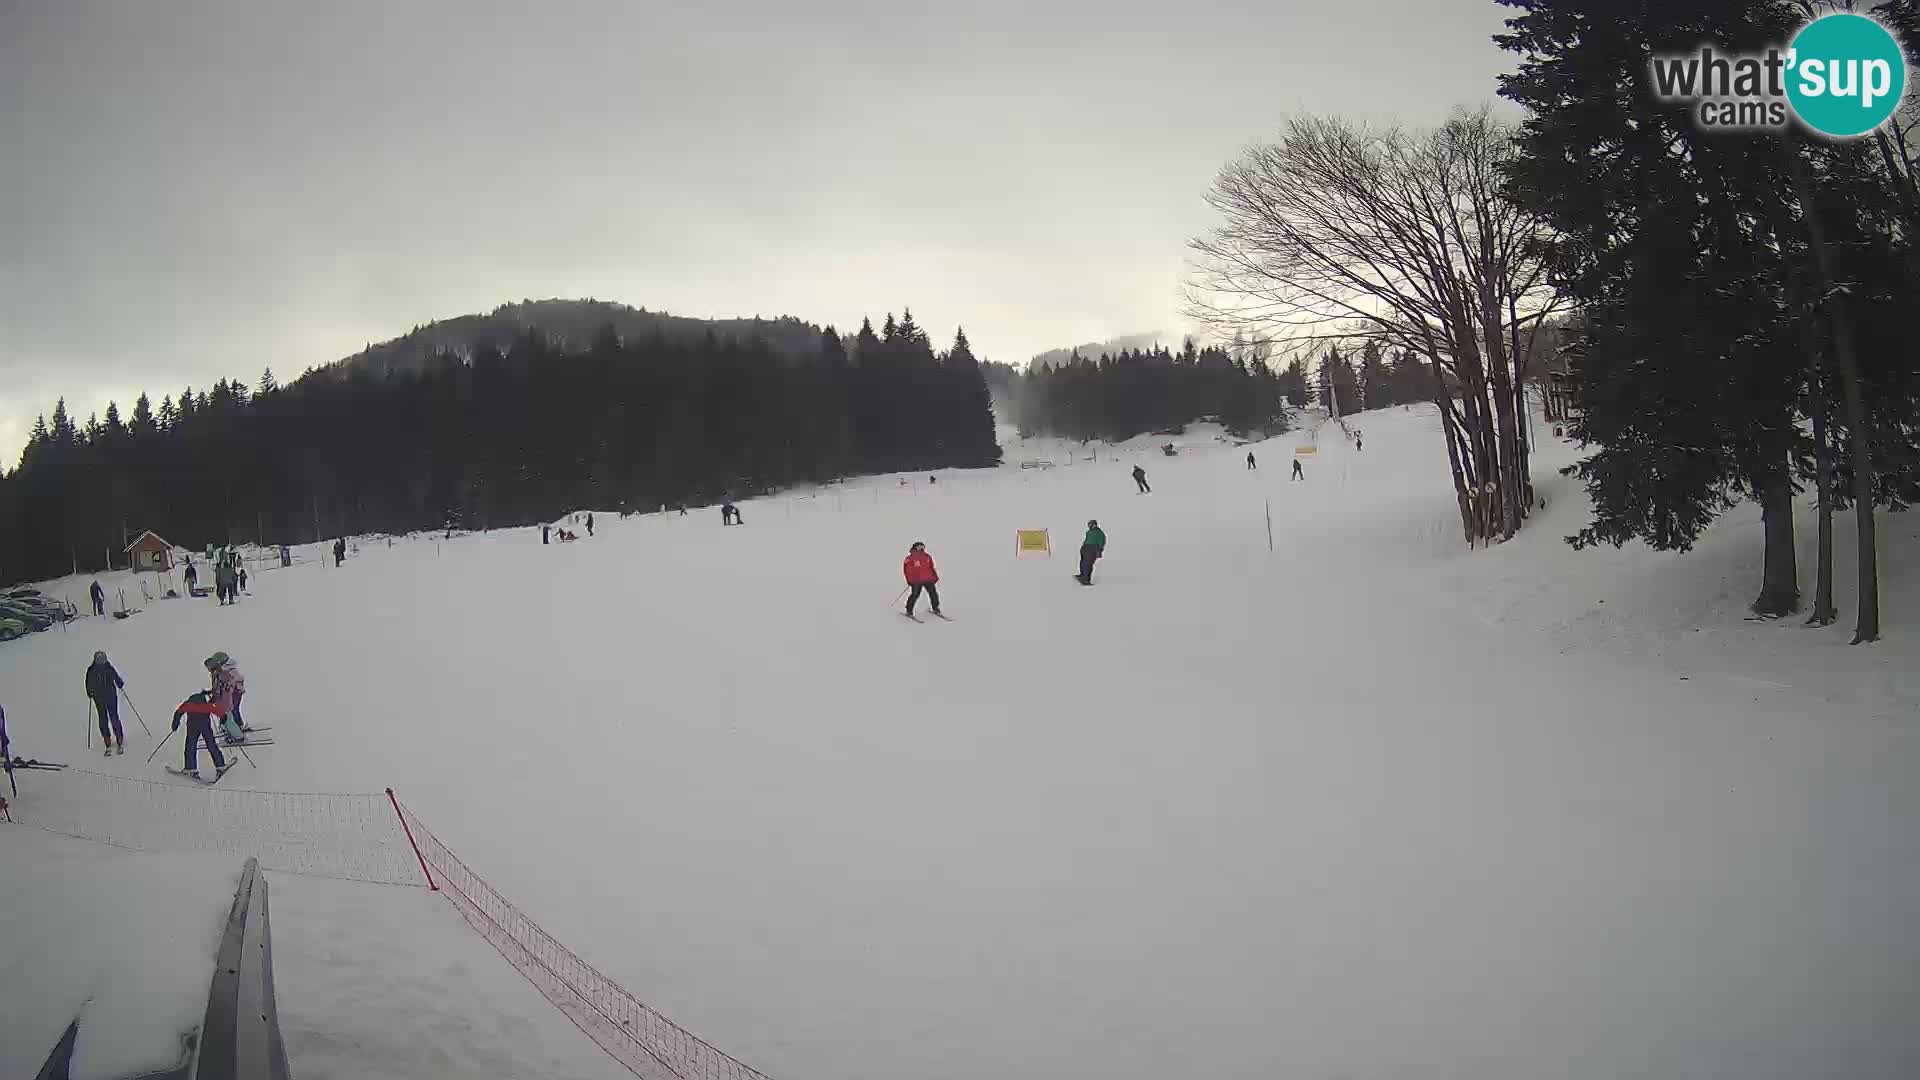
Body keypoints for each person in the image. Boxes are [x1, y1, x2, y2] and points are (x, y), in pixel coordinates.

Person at [171, 690, 229, 780]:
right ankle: (220, 765)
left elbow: (178, 712)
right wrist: (223, 718)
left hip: (192, 727)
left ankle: (191, 768)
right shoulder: (206, 705)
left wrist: (175, 724)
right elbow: (219, 712)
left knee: (190, 746)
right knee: (211, 744)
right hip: (205, 726)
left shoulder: (188, 704)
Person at [86, 650, 126, 755]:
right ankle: (107, 738)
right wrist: (90, 692)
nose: (101, 662)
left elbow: (115, 677)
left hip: (110, 697)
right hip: (99, 698)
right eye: (100, 660)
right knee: (103, 718)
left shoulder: (108, 668)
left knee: (113, 717)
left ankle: (119, 737)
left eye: (102, 660)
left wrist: (119, 683)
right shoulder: (92, 671)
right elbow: (89, 683)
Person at [206, 652, 248, 742]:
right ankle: (232, 727)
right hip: (226, 695)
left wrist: (231, 687)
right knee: (229, 712)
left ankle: (237, 729)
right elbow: (217, 684)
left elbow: (237, 680)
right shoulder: (218, 671)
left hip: (234, 693)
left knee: (232, 711)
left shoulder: (229, 670)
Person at [902, 541, 941, 617]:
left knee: (933, 594)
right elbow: (907, 570)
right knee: (915, 595)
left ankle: (935, 608)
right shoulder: (910, 558)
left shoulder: (927, 556)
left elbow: (931, 567)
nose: (921, 549)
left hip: (928, 579)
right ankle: (909, 610)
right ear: (915, 548)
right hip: (916, 581)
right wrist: (909, 580)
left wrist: (935, 576)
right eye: (919, 547)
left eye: (923, 547)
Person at [1077, 520, 1106, 585]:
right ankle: (1082, 575)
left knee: (1088, 564)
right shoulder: (1089, 532)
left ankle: (1086, 580)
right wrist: (1083, 547)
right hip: (1085, 548)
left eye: (1091, 524)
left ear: (1095, 525)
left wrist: (1099, 550)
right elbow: (1086, 539)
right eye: (1089, 525)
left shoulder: (1099, 533)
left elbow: (1102, 542)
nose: (1090, 526)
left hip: (1093, 549)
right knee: (1082, 562)